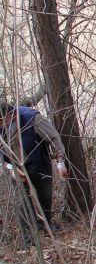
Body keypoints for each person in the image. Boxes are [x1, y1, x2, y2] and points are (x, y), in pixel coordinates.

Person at [0, 101, 68, 247]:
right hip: (15, 167)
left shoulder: (32, 118)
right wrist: (11, 167)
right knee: (22, 202)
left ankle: (46, 223)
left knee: (45, 195)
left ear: (9, 115)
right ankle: (28, 239)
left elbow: (54, 137)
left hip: (38, 161)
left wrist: (60, 161)